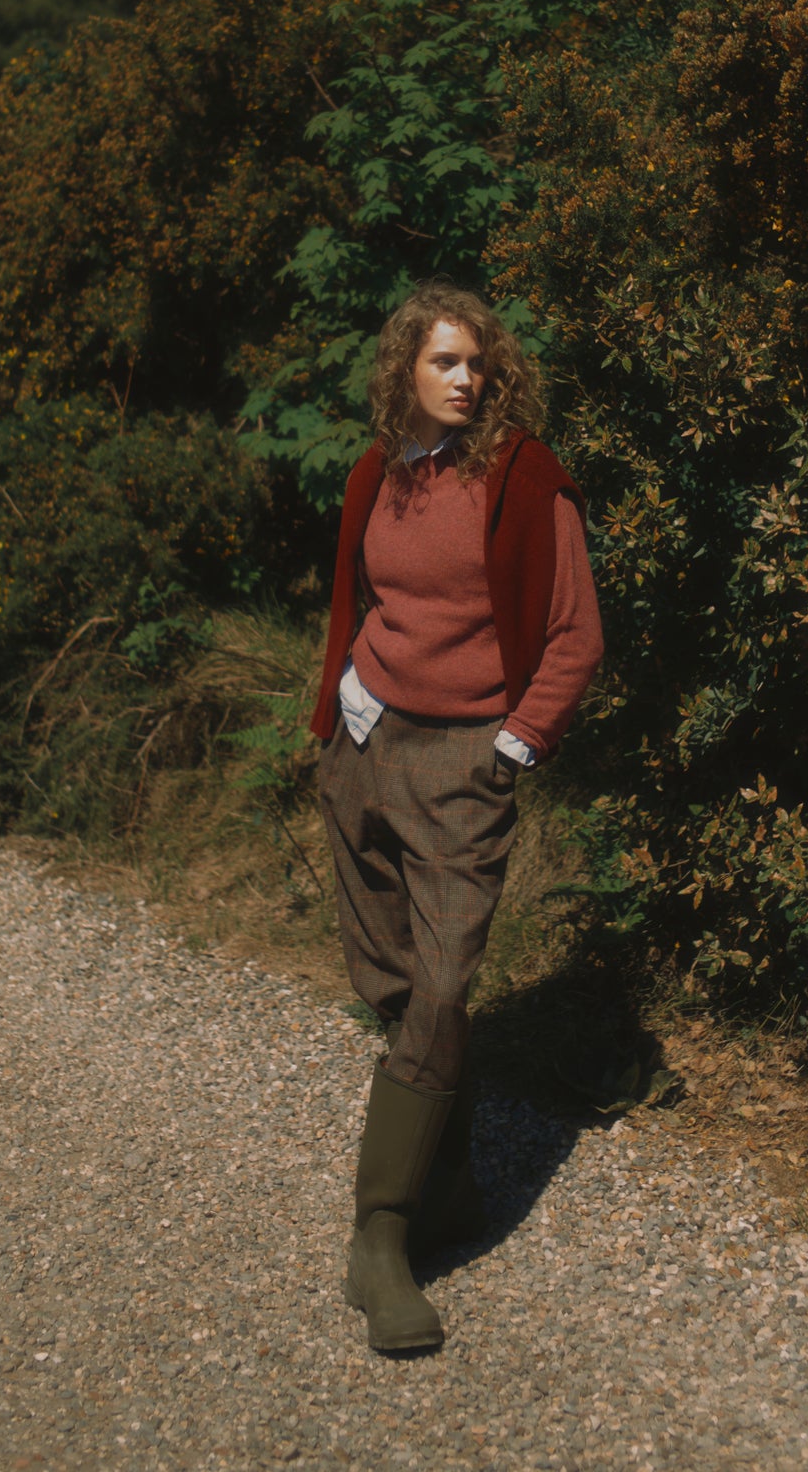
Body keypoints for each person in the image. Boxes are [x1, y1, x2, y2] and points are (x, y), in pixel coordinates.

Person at [310, 278, 604, 1352]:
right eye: (443, 360)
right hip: (361, 747)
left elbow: (575, 634)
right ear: (404, 368)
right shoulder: (376, 475)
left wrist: (511, 746)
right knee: (388, 984)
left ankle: (377, 1236)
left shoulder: (525, 482)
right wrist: (341, 692)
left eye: (476, 361)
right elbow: (362, 597)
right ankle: (454, 1186)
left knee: (440, 983)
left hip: (460, 763)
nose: (464, 377)